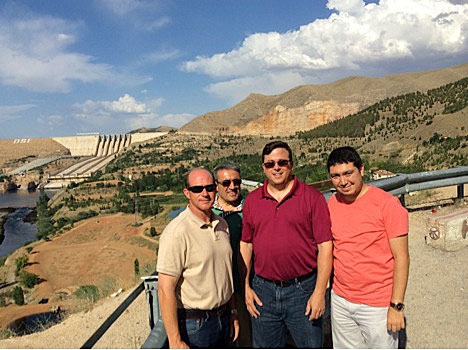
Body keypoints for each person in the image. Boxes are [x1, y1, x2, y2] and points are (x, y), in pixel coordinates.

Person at [240, 140, 333, 348]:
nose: (276, 168)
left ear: (291, 164)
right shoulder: (253, 201)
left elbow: (325, 246)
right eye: (270, 164)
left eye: (282, 162)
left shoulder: (312, 198)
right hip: (262, 291)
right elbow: (246, 246)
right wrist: (245, 286)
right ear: (263, 167)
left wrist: (319, 293)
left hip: (303, 290)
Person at [327, 146, 410, 349]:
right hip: (340, 300)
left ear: (361, 170)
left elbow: (402, 258)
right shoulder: (332, 204)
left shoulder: (387, 204)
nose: (343, 181)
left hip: (377, 304)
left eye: (348, 173)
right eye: (336, 176)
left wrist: (396, 306)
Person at [156, 167, 239, 348]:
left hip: (224, 318)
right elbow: (164, 288)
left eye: (209, 187)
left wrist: (233, 312)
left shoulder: (222, 224)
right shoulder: (177, 232)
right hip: (196, 326)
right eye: (197, 189)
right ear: (187, 193)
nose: (205, 193)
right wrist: (175, 340)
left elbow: (226, 273)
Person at [211, 163, 252, 348]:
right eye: (226, 182)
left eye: (236, 181)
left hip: (247, 288)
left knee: (247, 338)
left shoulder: (252, 208)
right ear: (216, 185)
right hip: (217, 291)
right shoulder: (207, 213)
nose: (232, 186)